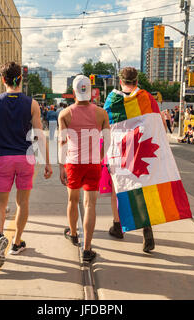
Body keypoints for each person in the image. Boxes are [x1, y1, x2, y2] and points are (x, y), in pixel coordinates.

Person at [0, 62, 52, 268]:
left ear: (3, 80)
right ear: (20, 79)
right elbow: (39, 135)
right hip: (26, 158)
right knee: (22, 203)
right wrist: (48, 162)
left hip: (5, 157)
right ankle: (16, 242)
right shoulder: (32, 104)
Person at [106, 67, 163, 253]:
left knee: (118, 188)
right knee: (140, 188)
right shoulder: (147, 98)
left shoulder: (113, 99)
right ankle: (146, 228)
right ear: (137, 81)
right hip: (141, 148)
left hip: (119, 152)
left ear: (120, 81)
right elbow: (158, 123)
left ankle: (118, 226)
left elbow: (105, 125)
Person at [58, 74, 110, 262]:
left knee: (73, 201)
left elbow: (62, 142)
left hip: (73, 163)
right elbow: (108, 141)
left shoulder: (64, 114)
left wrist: (61, 166)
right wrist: (99, 156)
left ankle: (73, 234)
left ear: (73, 93)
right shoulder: (101, 113)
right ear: (91, 93)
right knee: (90, 205)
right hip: (93, 164)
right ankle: (87, 249)